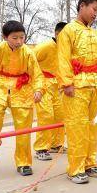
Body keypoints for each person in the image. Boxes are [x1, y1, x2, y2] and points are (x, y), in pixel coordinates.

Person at [0, 20, 44, 176]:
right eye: (15, 38)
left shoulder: (28, 53)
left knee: (23, 128)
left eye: (22, 37)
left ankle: (24, 162)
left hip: (22, 89)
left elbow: (37, 74)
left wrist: (39, 89)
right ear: (5, 37)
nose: (19, 41)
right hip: (0, 86)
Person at [58, 0, 97, 184]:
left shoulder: (96, 35)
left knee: (92, 126)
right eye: (94, 9)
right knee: (77, 128)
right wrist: (67, 83)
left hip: (94, 86)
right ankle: (75, 168)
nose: (96, 14)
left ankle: (90, 163)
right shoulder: (69, 31)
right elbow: (63, 58)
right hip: (77, 86)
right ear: (82, 6)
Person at [33, 22, 67, 160]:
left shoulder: (65, 49)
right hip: (43, 83)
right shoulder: (44, 47)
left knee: (60, 115)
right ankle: (41, 147)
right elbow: (30, 62)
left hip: (57, 85)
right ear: (57, 34)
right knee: (46, 115)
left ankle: (56, 144)